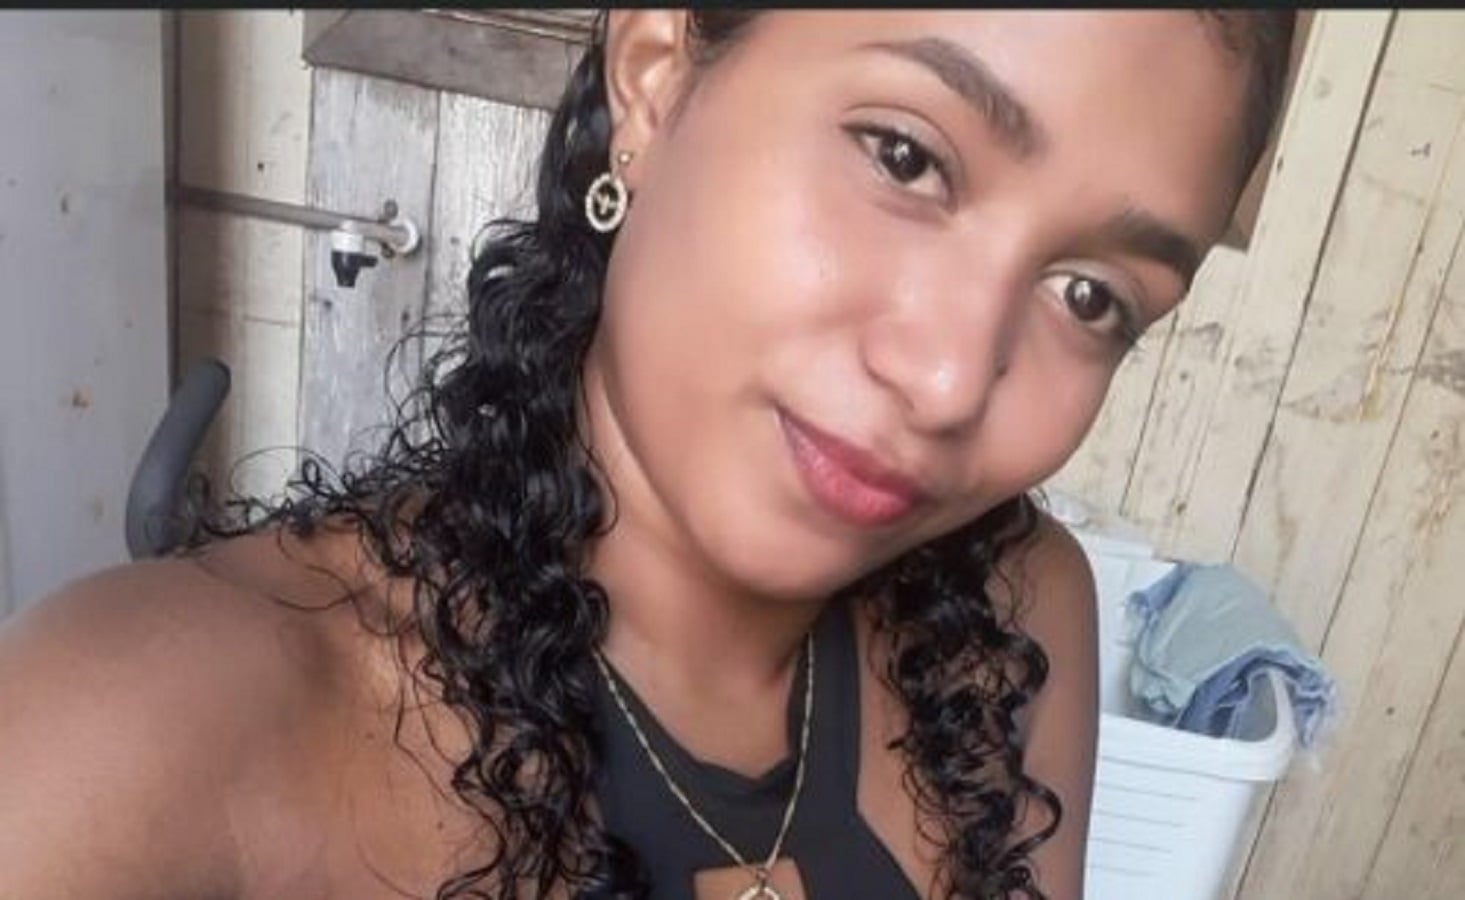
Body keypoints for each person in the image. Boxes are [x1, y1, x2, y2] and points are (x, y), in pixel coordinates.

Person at [0, 9, 1293, 900]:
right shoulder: (134, 739)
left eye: (1090, 297)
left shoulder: (1012, 616)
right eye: (905, 157)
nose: (949, 379)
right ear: (657, 73)